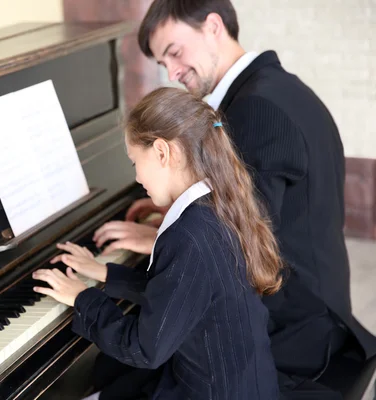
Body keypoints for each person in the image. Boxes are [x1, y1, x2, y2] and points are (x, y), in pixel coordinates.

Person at [92, 0, 376, 396]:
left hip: (296, 329)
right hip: (313, 302)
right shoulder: (277, 88)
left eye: (174, 52)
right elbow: (260, 210)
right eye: (163, 63)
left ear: (213, 27)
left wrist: (154, 240)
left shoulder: (253, 109)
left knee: (134, 370)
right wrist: (166, 213)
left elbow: (232, 243)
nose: (172, 72)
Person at [32, 87, 282, 400]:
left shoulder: (187, 235)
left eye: (134, 162)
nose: (136, 177)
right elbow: (183, 296)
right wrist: (107, 274)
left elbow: (142, 349)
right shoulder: (217, 206)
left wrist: (83, 298)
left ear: (162, 152)